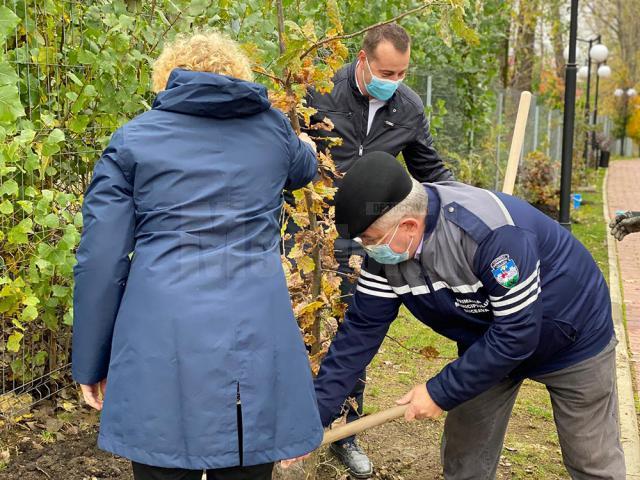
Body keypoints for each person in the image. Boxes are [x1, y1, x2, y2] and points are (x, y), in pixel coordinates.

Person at [72, 31, 323, 480]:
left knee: (162, 457)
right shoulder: (274, 132)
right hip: (256, 337)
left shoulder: (134, 140)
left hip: (160, 338)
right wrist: (303, 147)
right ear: (239, 77)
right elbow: (305, 169)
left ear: (166, 80)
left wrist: (92, 359)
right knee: (247, 457)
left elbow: (100, 259)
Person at [314, 151, 625, 479]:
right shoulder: (386, 258)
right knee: (465, 458)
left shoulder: (489, 234)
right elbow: (360, 333)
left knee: (592, 460)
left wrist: (440, 391)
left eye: (371, 240)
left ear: (408, 224)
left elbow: (517, 333)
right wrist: (314, 417)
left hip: (572, 336)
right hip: (488, 343)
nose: (367, 248)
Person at [294, 23, 453, 477]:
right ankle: (287, 421)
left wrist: (465, 203)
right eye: (386, 71)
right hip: (307, 231)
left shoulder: (409, 108)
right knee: (294, 324)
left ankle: (346, 431)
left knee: (350, 330)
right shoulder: (318, 92)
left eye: (402, 73)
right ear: (362, 61)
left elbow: (430, 168)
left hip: (366, 232)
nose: (394, 80)